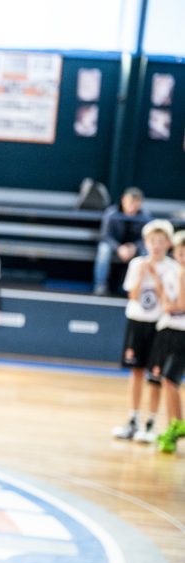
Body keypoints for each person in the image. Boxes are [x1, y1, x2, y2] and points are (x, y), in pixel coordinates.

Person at [112, 219, 175, 442]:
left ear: (168, 243)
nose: (156, 246)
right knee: (136, 371)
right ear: (146, 243)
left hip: (159, 325)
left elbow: (169, 300)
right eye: (152, 241)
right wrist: (142, 274)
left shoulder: (173, 268)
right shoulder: (137, 264)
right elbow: (132, 294)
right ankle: (133, 419)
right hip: (137, 322)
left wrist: (156, 277)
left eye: (160, 241)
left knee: (155, 375)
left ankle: (151, 423)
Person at [156, 231, 185, 453]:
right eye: (180, 253)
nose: (182, 257)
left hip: (181, 332)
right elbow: (165, 300)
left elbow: (180, 305)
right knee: (168, 381)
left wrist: (170, 306)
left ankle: (178, 424)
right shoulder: (172, 272)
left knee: (169, 379)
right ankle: (173, 426)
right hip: (170, 329)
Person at [93, 187, 152, 296]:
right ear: (123, 200)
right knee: (103, 250)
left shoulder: (145, 217)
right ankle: (100, 286)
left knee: (147, 252)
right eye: (130, 201)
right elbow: (105, 236)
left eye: (136, 201)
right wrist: (119, 248)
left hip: (134, 248)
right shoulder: (111, 213)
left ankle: (142, 288)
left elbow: (146, 238)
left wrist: (134, 247)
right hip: (115, 246)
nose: (132, 204)